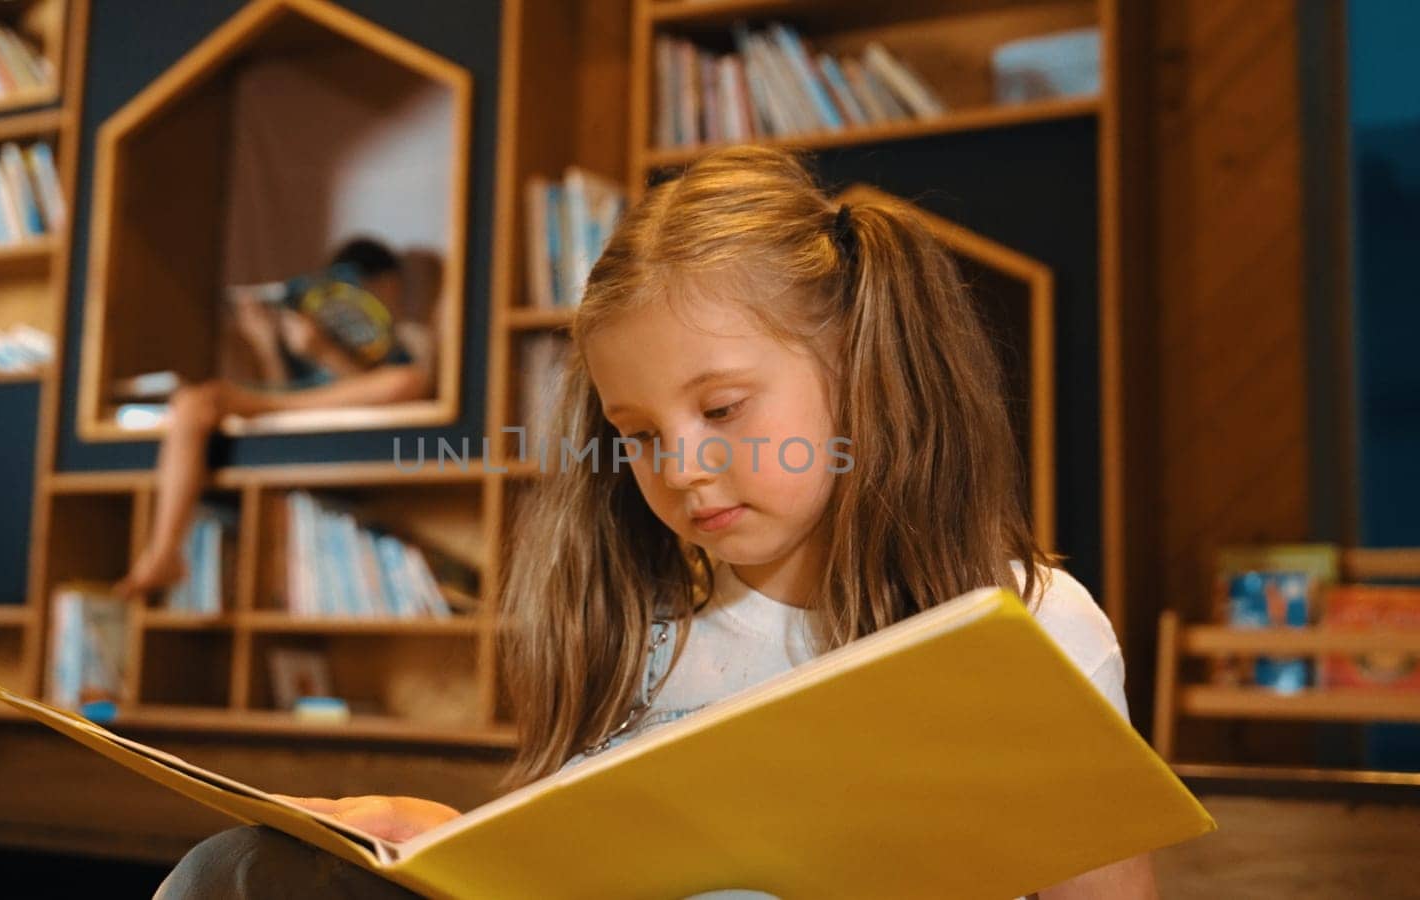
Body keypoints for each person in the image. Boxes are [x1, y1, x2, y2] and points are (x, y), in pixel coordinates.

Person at [154, 147, 1157, 899]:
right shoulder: (642, 621)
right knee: (238, 872)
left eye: (722, 410)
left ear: (866, 375)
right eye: (635, 434)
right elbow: (578, 866)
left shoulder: (1031, 620)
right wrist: (431, 836)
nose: (680, 468)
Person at [114, 237, 435, 598]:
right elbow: (279, 390)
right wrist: (266, 342)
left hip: (338, 402)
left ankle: (165, 551)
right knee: (192, 401)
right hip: (290, 407)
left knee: (407, 381)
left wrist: (325, 353)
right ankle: (164, 551)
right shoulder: (311, 322)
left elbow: (400, 390)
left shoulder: (408, 338)